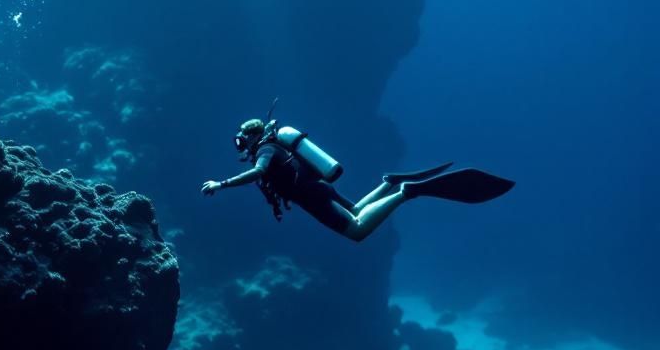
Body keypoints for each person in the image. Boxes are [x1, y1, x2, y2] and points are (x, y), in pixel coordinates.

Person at [202, 118, 514, 242]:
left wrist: (222, 184)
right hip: (318, 188)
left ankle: (406, 191)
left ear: (254, 135)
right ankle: (389, 183)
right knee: (356, 212)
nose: (241, 144)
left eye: (242, 138)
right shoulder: (276, 146)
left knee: (357, 230)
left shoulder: (267, 150)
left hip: (313, 196)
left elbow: (258, 173)